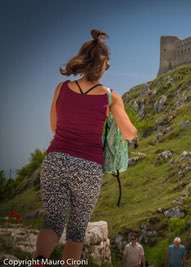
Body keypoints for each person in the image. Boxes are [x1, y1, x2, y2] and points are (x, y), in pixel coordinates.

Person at [33, 29, 137, 267]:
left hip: (55, 160)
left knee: (53, 221)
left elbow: (54, 126)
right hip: (88, 167)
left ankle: (39, 262)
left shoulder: (61, 88)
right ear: (102, 66)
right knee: (77, 228)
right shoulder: (110, 97)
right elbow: (130, 133)